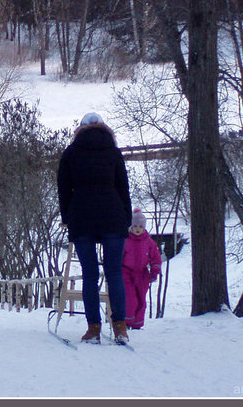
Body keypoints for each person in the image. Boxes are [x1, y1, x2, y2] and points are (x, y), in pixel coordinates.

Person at [57, 112, 132, 345]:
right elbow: (123, 188)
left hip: (82, 218)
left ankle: (93, 328)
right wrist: (126, 219)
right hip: (112, 216)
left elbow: (63, 189)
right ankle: (120, 327)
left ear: (80, 129)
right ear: (103, 128)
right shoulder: (113, 152)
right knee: (114, 273)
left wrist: (68, 217)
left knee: (90, 275)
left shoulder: (71, 153)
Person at [122, 208, 162, 330]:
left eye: (140, 226)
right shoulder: (126, 241)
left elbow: (155, 256)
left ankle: (137, 323)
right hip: (127, 273)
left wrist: (155, 270)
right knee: (130, 298)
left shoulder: (149, 242)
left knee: (141, 300)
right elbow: (119, 256)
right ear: (131, 227)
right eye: (135, 226)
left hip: (142, 274)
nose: (138, 229)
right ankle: (127, 321)